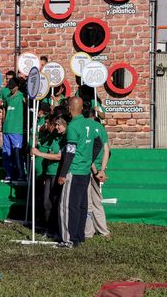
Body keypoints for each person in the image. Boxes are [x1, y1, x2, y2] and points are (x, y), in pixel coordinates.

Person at [55, 97, 95, 248]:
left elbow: (70, 152)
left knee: (67, 206)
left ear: (70, 109)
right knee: (81, 205)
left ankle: (68, 239)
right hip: (85, 170)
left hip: (74, 169)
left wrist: (63, 173)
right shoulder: (90, 123)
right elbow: (98, 143)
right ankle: (79, 236)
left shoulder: (72, 126)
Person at [31, 114, 68, 238]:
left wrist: (39, 154)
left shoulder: (65, 139)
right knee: (46, 202)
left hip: (58, 174)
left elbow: (59, 156)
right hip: (48, 174)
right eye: (55, 124)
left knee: (56, 202)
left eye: (58, 125)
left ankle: (57, 229)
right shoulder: (52, 137)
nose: (56, 127)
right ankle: (48, 228)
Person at [85, 108, 111, 239]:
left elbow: (86, 153)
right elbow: (107, 150)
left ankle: (88, 232)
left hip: (87, 169)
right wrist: (102, 170)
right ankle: (103, 231)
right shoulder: (100, 128)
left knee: (88, 202)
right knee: (97, 201)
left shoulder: (85, 128)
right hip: (97, 169)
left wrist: (96, 171)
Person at [0, 78, 26, 183]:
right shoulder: (7, 97)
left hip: (17, 129)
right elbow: (4, 110)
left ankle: (20, 175)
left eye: (12, 87)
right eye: (9, 87)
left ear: (17, 86)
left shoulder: (22, 97)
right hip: (7, 128)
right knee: (6, 153)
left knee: (17, 153)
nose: (11, 89)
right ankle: (9, 174)